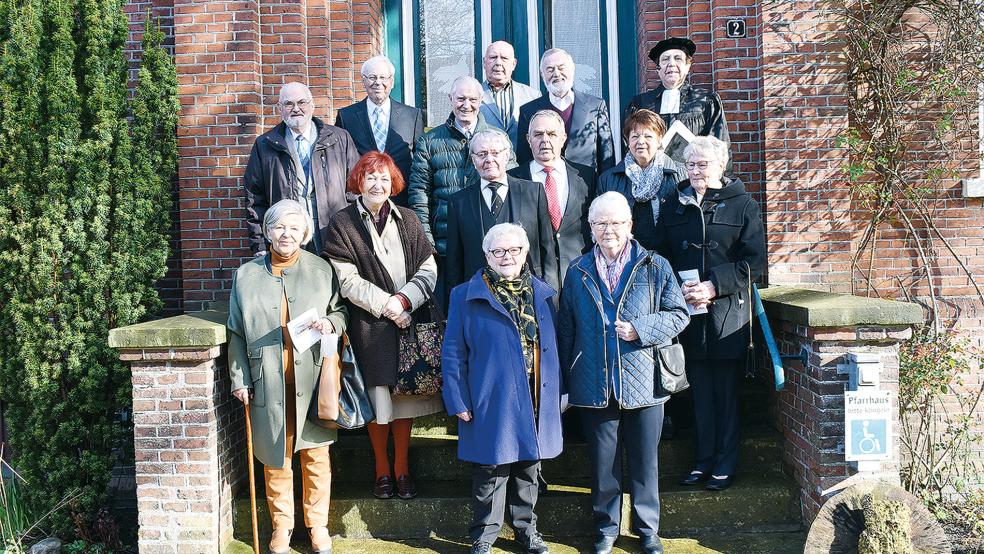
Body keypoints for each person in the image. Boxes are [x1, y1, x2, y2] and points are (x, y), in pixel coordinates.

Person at [558, 192, 690, 554]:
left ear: (630, 225)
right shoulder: (577, 270)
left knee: (646, 463)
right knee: (603, 465)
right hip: (593, 379)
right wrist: (566, 382)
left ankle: (647, 530)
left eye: (616, 222)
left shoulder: (656, 265)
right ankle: (606, 528)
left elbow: (680, 314)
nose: (609, 230)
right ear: (591, 227)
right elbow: (566, 328)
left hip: (645, 379)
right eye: (601, 223)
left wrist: (640, 329)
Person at [227, 199, 348, 554]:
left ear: (305, 233)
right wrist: (239, 378)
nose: (287, 234)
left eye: (295, 228)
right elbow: (235, 332)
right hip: (267, 381)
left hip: (312, 381)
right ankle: (282, 527)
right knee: (276, 458)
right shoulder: (246, 275)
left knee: (316, 457)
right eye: (279, 227)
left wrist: (331, 323)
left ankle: (318, 527)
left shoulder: (321, 269)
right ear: (267, 231)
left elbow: (340, 313)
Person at [322, 152, 441, 501]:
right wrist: (388, 307)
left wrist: (404, 302)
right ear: (359, 181)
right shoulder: (342, 224)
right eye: (371, 177)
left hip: (410, 320)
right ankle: (381, 470)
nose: (378, 184)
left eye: (385, 178)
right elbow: (347, 281)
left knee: (404, 402)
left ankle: (402, 469)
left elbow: (429, 269)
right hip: (369, 325)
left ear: (394, 183)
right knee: (379, 401)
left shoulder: (409, 219)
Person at [442, 223, 563, 554]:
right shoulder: (464, 295)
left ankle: (526, 530)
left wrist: (558, 394)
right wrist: (457, 398)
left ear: (525, 253)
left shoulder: (544, 293)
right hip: (490, 397)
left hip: (536, 394)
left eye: (514, 250)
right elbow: (453, 352)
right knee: (490, 470)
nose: (506, 257)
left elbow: (557, 347)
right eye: (498, 251)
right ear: (487, 255)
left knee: (529, 467)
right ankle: (484, 534)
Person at [654, 136, 766, 492]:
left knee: (725, 393)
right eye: (690, 164)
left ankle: (725, 462)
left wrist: (715, 285)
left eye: (703, 164)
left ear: (721, 165)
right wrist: (675, 288)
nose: (696, 171)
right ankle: (703, 461)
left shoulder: (744, 205)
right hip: (688, 313)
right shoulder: (675, 204)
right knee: (699, 392)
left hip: (727, 314)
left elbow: (755, 261)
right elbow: (662, 255)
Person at [408, 76, 496, 305]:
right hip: (445, 246)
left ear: (481, 100)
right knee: (451, 312)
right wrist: (426, 240)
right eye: (460, 99)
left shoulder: (498, 140)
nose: (466, 105)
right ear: (450, 99)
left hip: (487, 244)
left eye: (472, 99)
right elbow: (419, 194)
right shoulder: (429, 141)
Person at [244, 82, 360, 255]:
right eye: (289, 104)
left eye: (302, 102)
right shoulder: (265, 145)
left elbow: (356, 189)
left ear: (312, 105)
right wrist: (261, 244)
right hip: (288, 238)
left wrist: (353, 232)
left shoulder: (339, 139)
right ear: (279, 108)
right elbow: (255, 198)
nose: (296, 108)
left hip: (333, 234)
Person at [445, 128, 553, 292]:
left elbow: (547, 250)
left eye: (495, 153)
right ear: (473, 160)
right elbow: (454, 263)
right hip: (478, 298)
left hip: (528, 295)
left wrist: (550, 296)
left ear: (507, 156)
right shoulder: (458, 202)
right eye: (482, 154)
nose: (489, 159)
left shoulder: (534, 192)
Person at [508, 109, 595, 293]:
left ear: (563, 138)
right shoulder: (513, 181)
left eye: (552, 134)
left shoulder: (587, 177)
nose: (545, 140)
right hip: (531, 281)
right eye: (538, 134)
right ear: (528, 139)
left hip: (581, 275)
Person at [624, 37, 730, 167]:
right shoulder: (640, 104)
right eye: (665, 59)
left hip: (693, 179)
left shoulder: (706, 101)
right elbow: (628, 147)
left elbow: (720, 146)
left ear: (687, 66)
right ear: (658, 69)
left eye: (678, 58)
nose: (671, 64)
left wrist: (719, 183)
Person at [334, 55, 425, 206]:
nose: (378, 82)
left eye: (383, 77)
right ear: (363, 80)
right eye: (372, 77)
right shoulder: (346, 117)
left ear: (392, 81)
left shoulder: (412, 116)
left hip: (402, 202)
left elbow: (420, 164)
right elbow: (339, 162)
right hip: (361, 202)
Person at [597, 109, 683, 254]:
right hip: (625, 255)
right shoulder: (608, 179)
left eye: (648, 136)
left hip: (671, 255)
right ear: (628, 141)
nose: (640, 141)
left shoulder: (679, 174)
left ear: (659, 139)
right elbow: (599, 220)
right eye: (635, 136)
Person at [516, 48, 615, 175]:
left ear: (572, 70)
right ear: (542, 75)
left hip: (588, 187)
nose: (556, 74)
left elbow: (607, 156)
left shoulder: (595, 106)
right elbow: (524, 158)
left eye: (561, 68)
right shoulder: (528, 111)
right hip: (544, 186)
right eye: (550, 69)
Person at [479, 41, 542, 150]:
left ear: (513, 64)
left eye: (504, 58)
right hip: (487, 163)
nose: (498, 62)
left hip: (523, 164)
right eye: (493, 57)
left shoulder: (533, 96)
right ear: (484, 62)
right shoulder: (472, 96)